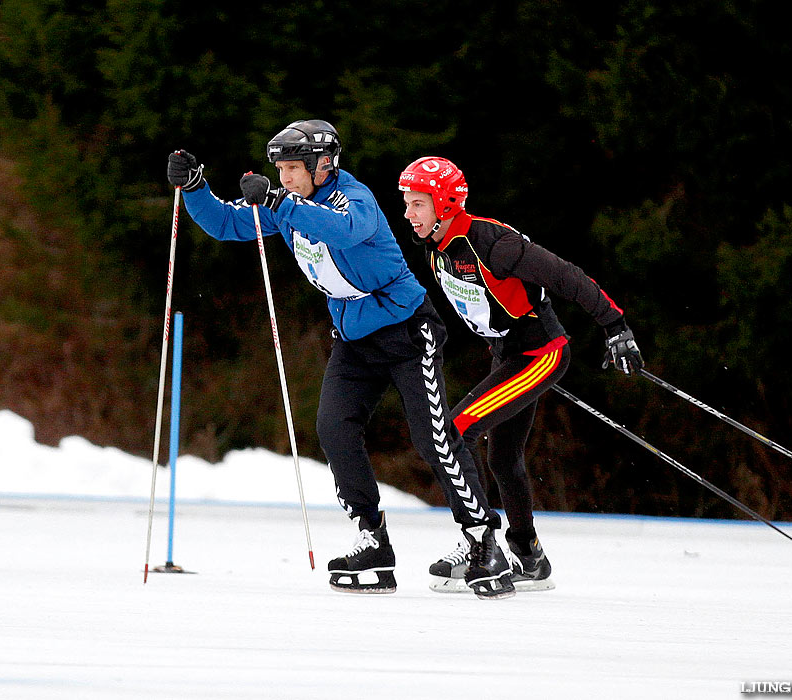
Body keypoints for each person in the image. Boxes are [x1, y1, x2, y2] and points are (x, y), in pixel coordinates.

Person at [166, 121, 515, 599]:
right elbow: (228, 224)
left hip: (408, 328)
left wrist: (279, 203)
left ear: (322, 164)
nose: (285, 178)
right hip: (354, 338)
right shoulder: (285, 207)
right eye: (281, 171)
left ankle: (482, 540)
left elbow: (346, 231)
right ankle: (372, 538)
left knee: (431, 436)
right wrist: (195, 188)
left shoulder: (354, 198)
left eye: (293, 169)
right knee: (334, 427)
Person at [398, 156, 643, 592]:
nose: (408, 214)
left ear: (446, 203)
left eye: (418, 204)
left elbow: (565, 277)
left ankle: (482, 544)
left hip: (539, 354)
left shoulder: (494, 243)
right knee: (502, 458)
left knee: (455, 432)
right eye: (407, 203)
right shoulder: (437, 247)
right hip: (509, 355)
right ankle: (528, 557)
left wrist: (615, 326)